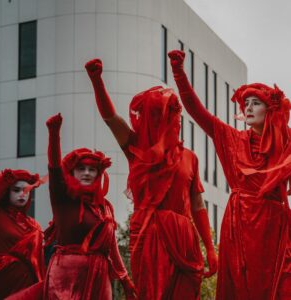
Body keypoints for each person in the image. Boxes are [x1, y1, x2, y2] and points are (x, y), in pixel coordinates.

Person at [85, 58, 217, 300]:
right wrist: (97, 81)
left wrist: (209, 247)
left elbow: (198, 205)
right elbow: (111, 119)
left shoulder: (190, 158)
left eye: (169, 113)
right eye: (155, 114)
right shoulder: (136, 147)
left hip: (185, 239)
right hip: (149, 234)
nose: (164, 119)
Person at [168, 49, 291, 299]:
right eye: (245, 103)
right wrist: (178, 72)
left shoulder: (286, 142)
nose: (247, 107)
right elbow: (196, 111)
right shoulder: (231, 139)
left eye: (255, 103)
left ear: (270, 109)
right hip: (241, 221)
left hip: (275, 223)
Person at [43, 113, 136, 299]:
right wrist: (54, 134)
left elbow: (111, 247)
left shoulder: (105, 208)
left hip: (98, 278)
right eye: (81, 168)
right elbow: (54, 168)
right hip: (66, 277)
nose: (86, 173)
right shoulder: (63, 198)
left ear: (98, 173)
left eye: (92, 169)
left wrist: (125, 280)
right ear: (72, 171)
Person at [0, 167, 45, 299]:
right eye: (16, 190)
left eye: (26, 191)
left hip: (26, 287)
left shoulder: (33, 225)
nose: (22, 194)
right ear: (7, 191)